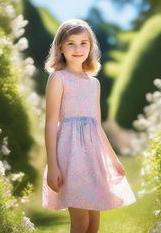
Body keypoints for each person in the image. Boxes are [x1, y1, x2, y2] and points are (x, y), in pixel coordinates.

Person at [42, 18, 136, 233]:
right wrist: (53, 165)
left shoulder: (94, 83)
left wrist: (113, 160)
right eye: (71, 43)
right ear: (60, 48)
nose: (78, 48)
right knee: (81, 220)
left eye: (84, 43)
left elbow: (97, 125)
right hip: (70, 155)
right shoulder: (59, 78)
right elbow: (49, 123)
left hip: (93, 157)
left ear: (91, 47)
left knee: (93, 223)